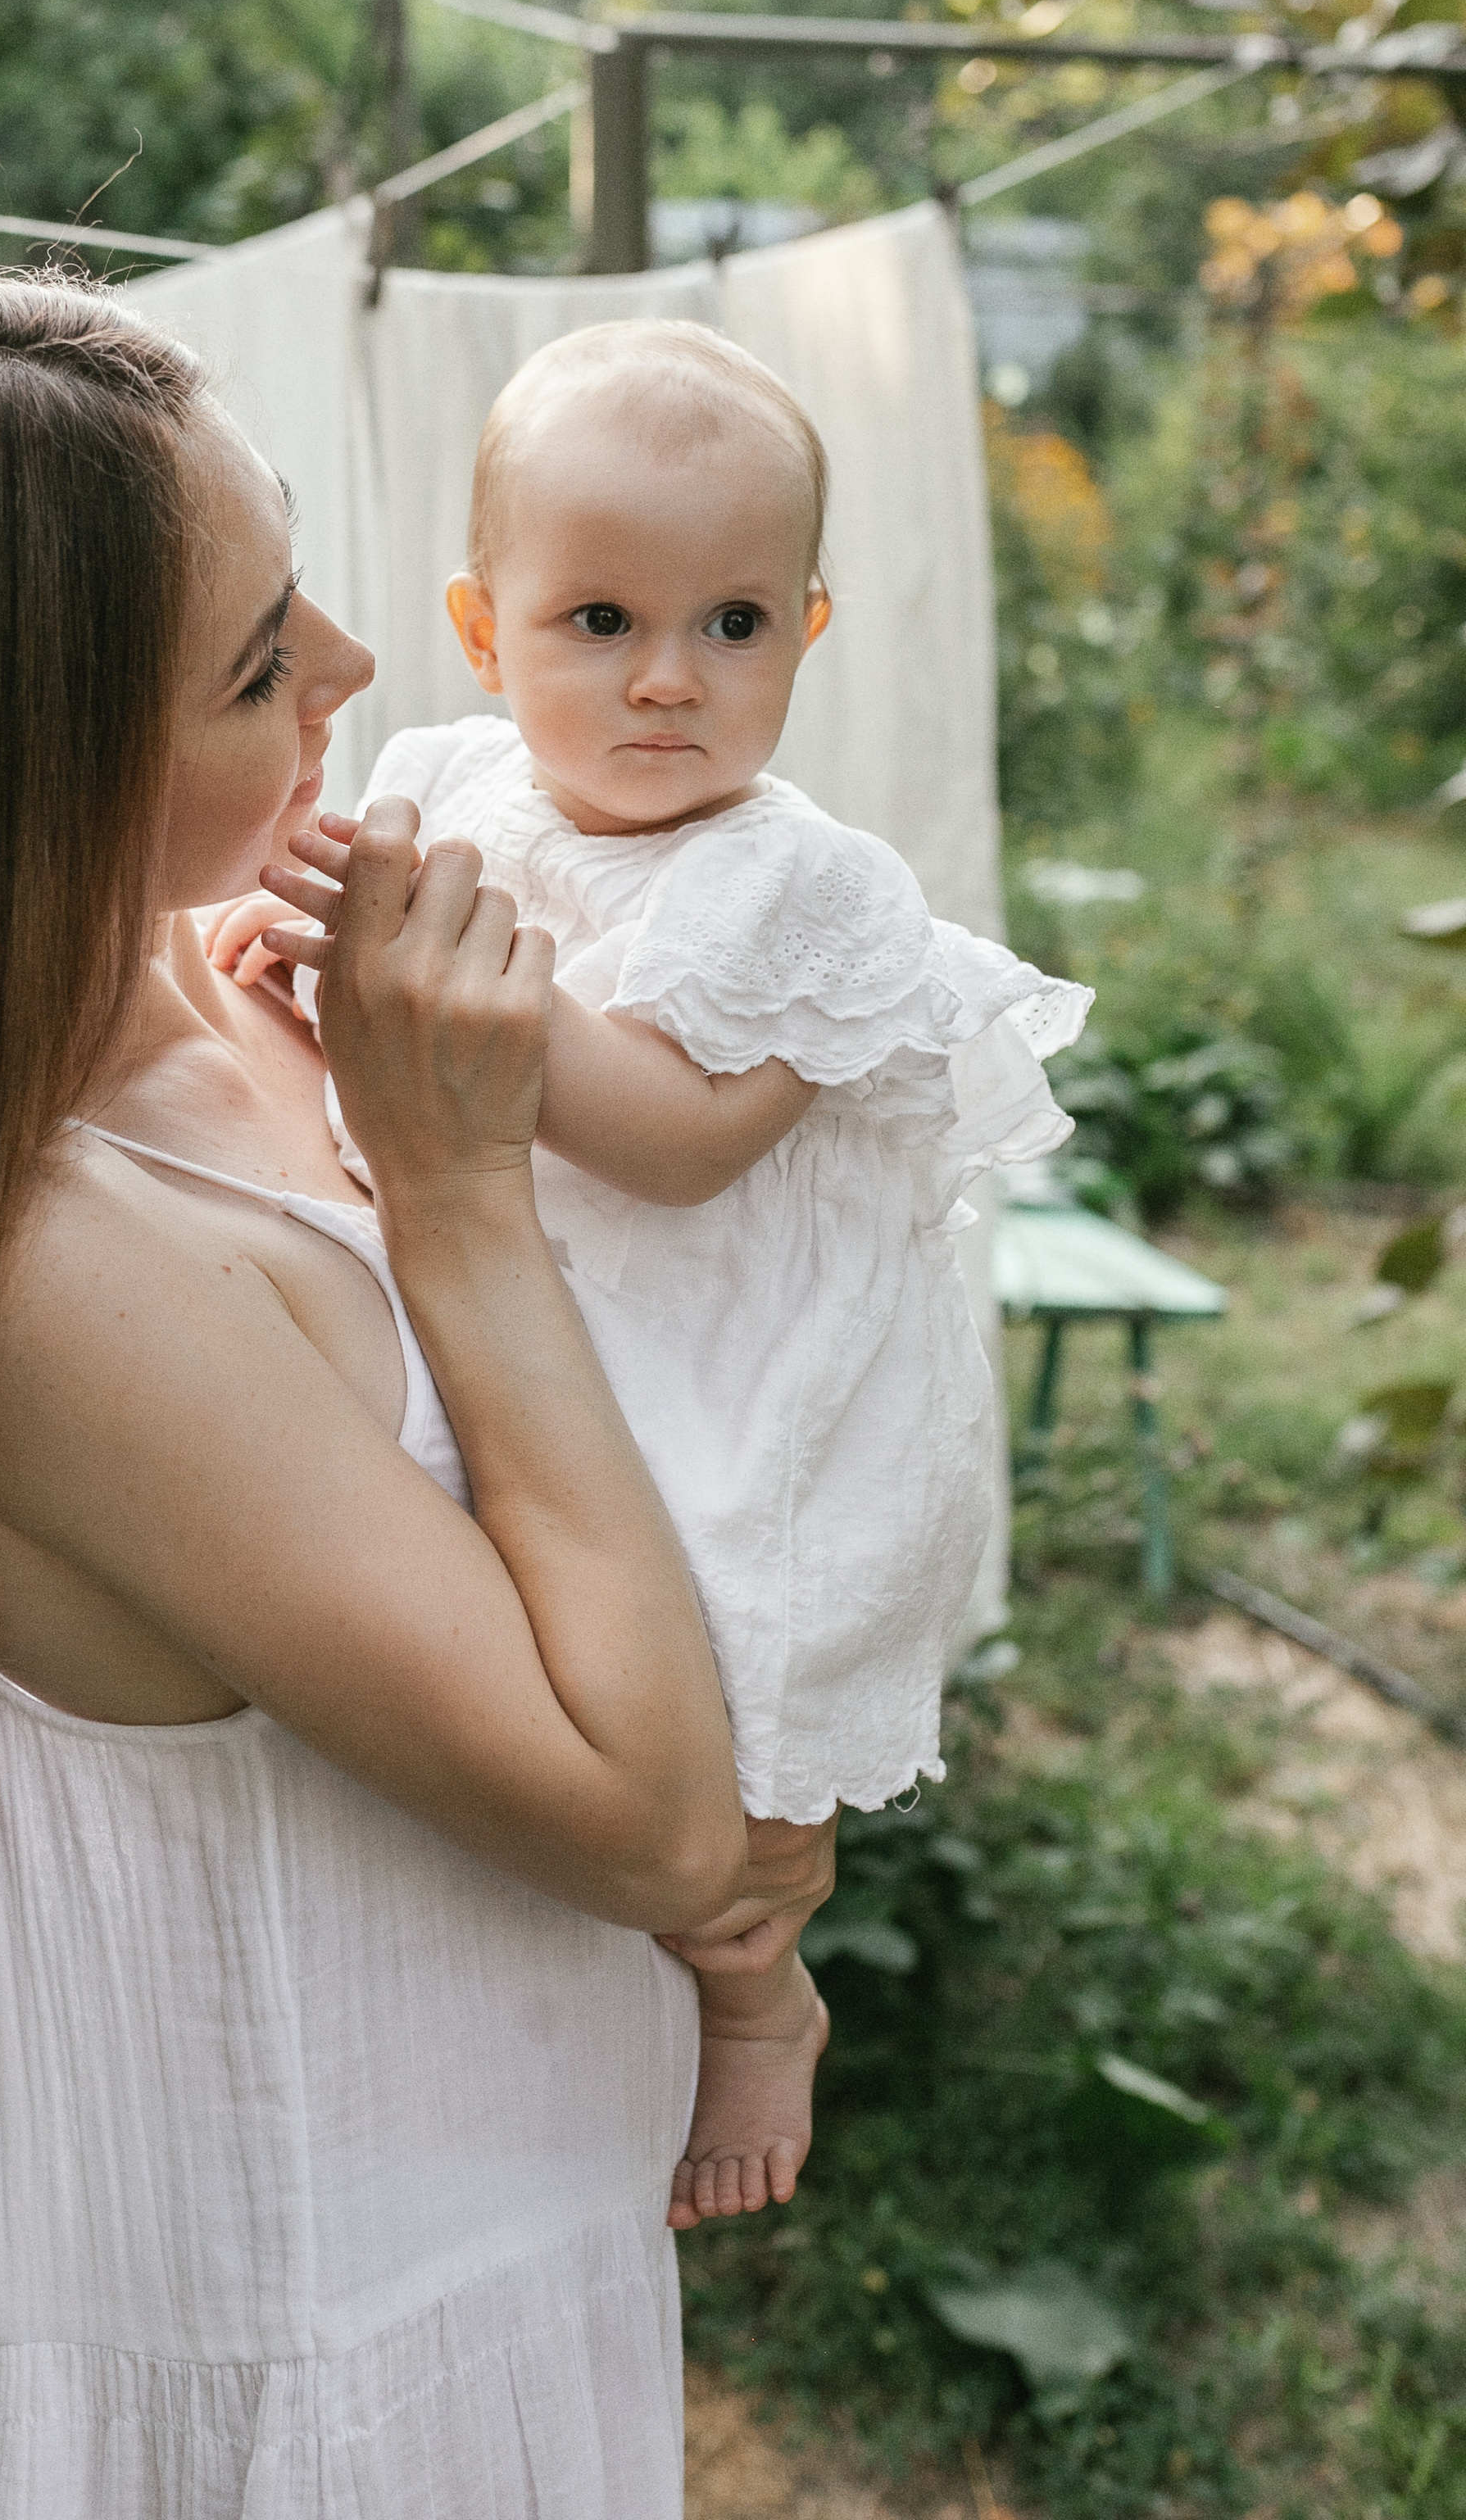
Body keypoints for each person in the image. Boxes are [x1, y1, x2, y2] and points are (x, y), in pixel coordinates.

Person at [0, 275, 831, 2520]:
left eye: (301, 584)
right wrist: (456, 1193)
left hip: (487, 2266)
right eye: (260, 664)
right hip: (307, 2385)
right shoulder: (35, 1278)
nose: (356, 668)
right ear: (16, 769)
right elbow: (647, 1826)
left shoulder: (214, 990)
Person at [214, 316, 1092, 2225]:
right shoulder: (446, 783)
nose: (669, 681)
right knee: (523, 1652)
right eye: (598, 621)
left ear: (807, 627)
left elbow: (691, 1146)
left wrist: (428, 996)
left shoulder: (807, 886)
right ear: (479, 628)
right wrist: (297, 959)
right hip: (545, 1327)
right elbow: (367, 1014)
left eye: (732, 625)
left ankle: (761, 1993)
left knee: (728, 1726)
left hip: (748, 1375)